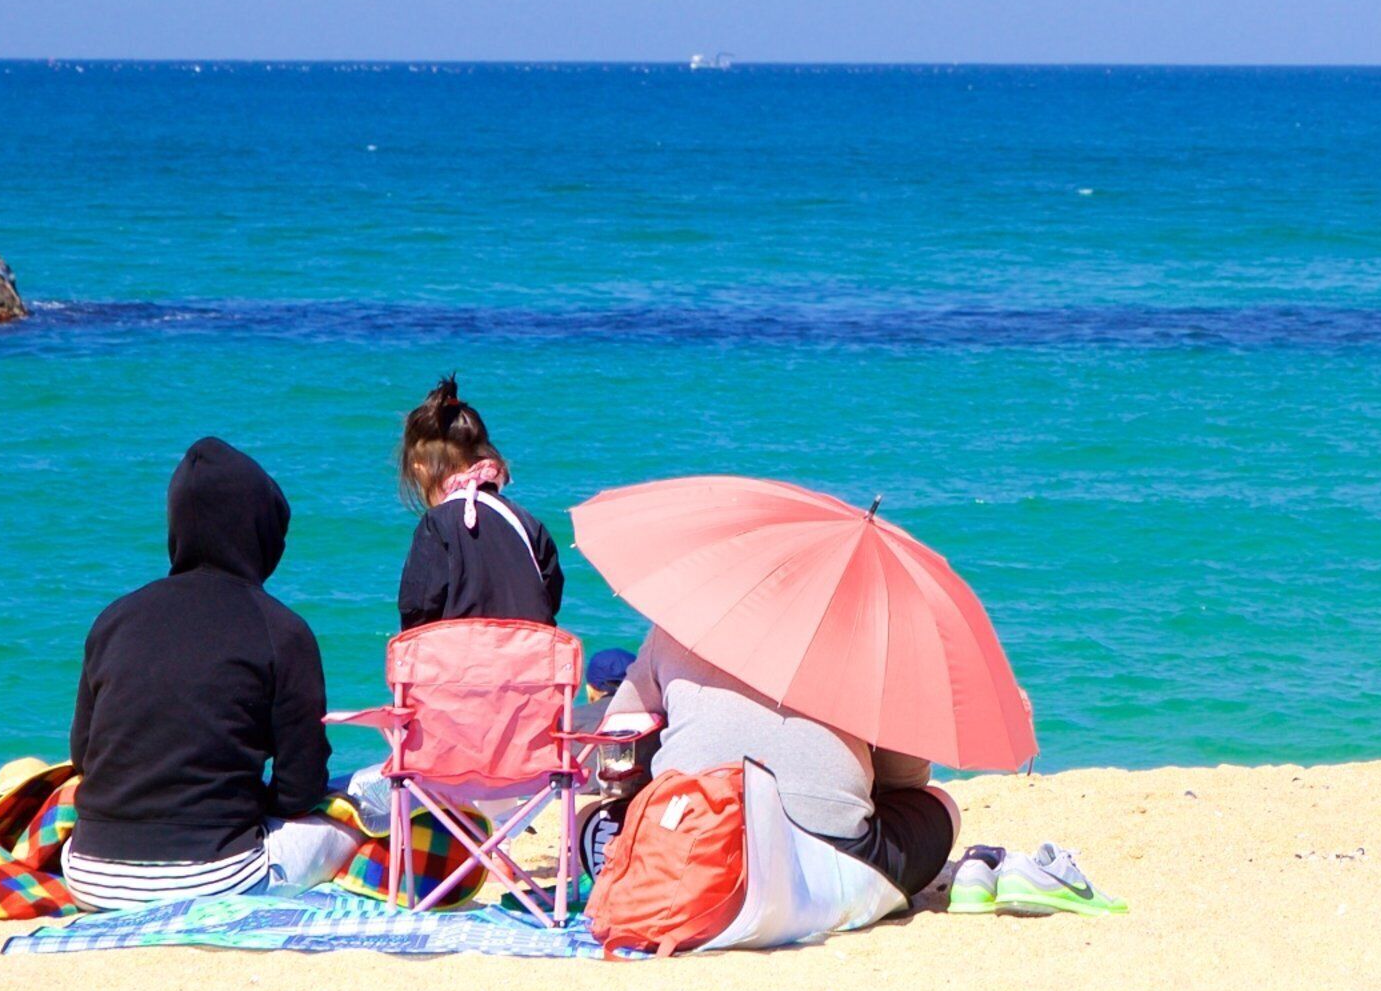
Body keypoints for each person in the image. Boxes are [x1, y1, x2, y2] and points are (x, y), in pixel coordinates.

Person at [64, 438, 357, 910]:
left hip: (88, 875)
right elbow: (298, 789)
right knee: (347, 820)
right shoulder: (282, 631)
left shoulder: (113, 618)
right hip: (214, 880)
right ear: (261, 533)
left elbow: (83, 757)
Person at [594, 628, 958, 900]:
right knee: (939, 804)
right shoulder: (872, 640)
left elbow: (621, 731)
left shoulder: (681, 627)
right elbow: (905, 778)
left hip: (691, 855)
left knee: (598, 819)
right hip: (831, 880)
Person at [393, 376, 563, 629]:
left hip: (464, 663)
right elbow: (550, 598)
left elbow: (417, 609)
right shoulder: (527, 522)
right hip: (529, 664)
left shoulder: (438, 522)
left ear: (421, 467)